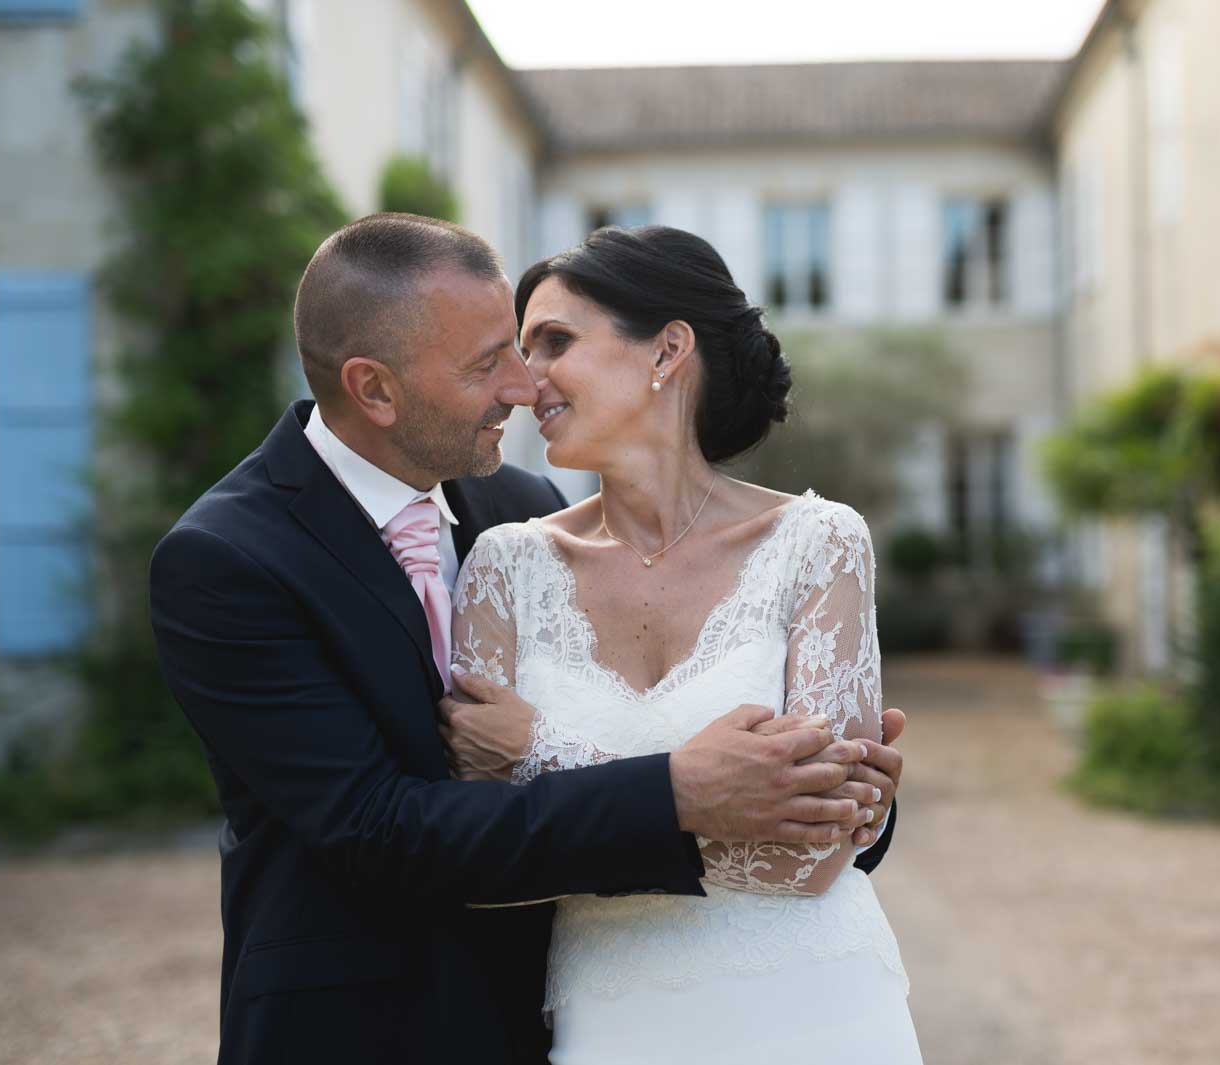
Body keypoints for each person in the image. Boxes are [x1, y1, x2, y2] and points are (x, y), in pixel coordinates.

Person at [147, 213, 906, 1065]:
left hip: (581, 1015)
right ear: (376, 389)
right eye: (491, 361)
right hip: (362, 1027)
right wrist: (687, 792)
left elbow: (788, 818)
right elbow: (378, 829)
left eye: (536, 344)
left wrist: (843, 803)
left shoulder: (511, 505)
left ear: (668, 354)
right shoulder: (225, 560)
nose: (521, 385)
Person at [441, 224, 923, 1063]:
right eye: (521, 351)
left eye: (555, 341)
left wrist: (541, 751)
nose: (525, 381)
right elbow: (483, 858)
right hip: (612, 1015)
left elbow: (814, 858)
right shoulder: (503, 566)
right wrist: (721, 802)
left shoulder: (819, 543)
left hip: (823, 1008)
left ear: (667, 350)